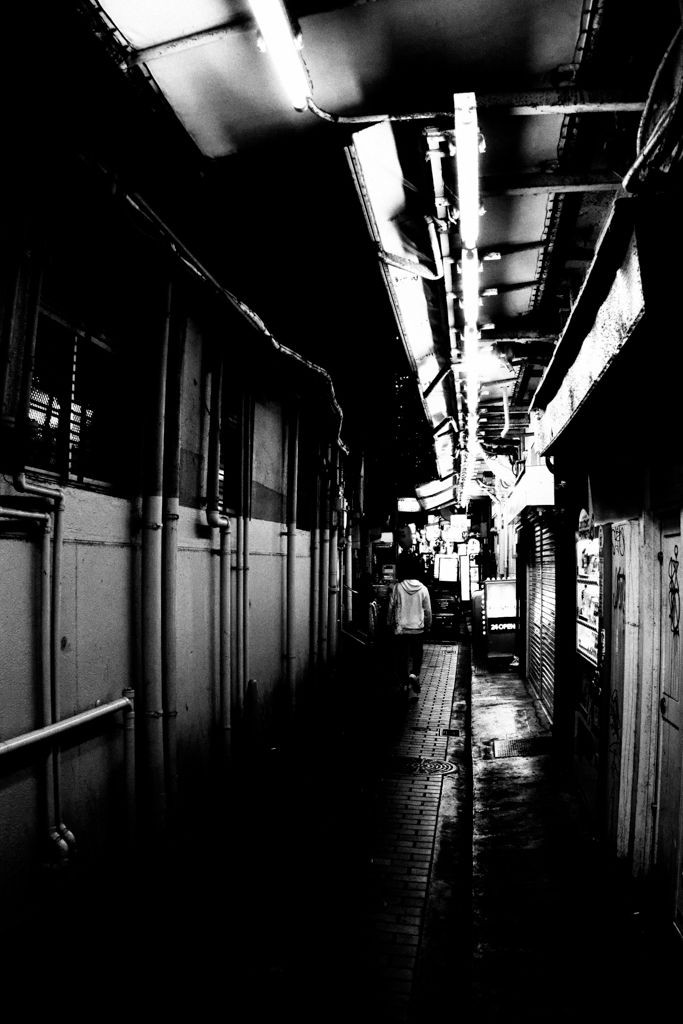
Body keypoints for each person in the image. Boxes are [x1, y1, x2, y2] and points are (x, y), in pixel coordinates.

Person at [388, 552, 432, 695]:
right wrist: (428, 625)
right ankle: (414, 674)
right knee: (417, 654)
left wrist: (389, 623)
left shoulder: (397, 588)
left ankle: (404, 682)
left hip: (401, 629)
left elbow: (391, 607)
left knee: (402, 656)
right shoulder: (423, 589)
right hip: (417, 629)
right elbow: (428, 611)